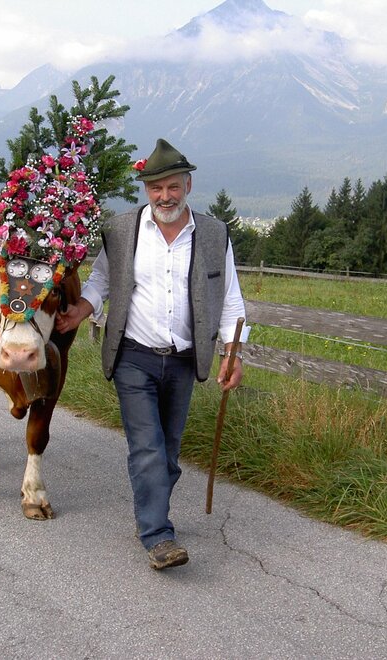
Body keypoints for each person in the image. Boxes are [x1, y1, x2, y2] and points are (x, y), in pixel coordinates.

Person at [55, 138, 250, 570]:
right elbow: (101, 280)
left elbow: (229, 297)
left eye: (173, 186)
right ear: (146, 190)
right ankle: (158, 535)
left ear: (188, 185)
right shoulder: (122, 230)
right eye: (156, 188)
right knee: (147, 446)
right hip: (134, 356)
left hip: (183, 360)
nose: (165, 196)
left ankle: (152, 507)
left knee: (168, 453)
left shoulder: (214, 234)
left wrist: (232, 353)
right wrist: (79, 312)